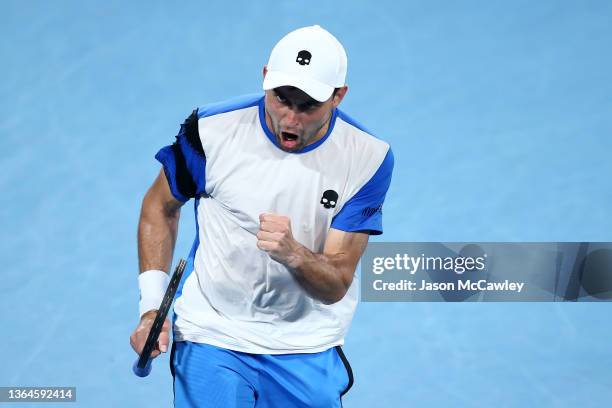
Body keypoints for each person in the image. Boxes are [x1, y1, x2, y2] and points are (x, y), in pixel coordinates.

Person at [130, 25, 394, 407]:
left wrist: (294, 253)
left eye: (308, 106)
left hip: (306, 343)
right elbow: (160, 206)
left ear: (339, 96)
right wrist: (151, 307)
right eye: (281, 99)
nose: (290, 119)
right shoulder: (211, 131)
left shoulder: (368, 158)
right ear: (266, 76)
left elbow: (336, 282)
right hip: (213, 332)